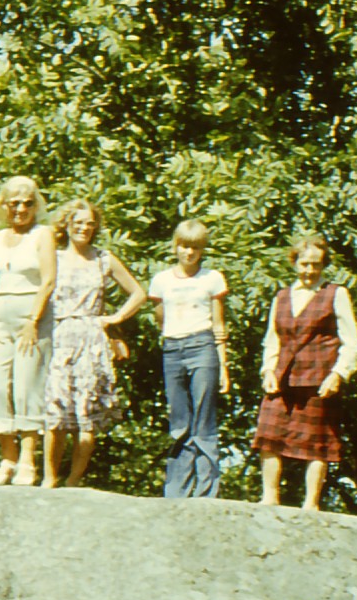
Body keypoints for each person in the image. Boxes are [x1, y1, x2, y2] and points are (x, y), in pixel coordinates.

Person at [41, 199, 145, 488]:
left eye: (89, 223)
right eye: (78, 222)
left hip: (93, 337)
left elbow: (139, 293)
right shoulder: (55, 256)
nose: (83, 228)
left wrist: (113, 319)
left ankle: (73, 480)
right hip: (61, 336)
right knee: (57, 412)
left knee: (86, 416)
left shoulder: (103, 258)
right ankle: (49, 478)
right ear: (67, 224)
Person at [255, 231, 357, 511]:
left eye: (316, 264)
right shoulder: (282, 296)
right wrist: (268, 370)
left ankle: (311, 504)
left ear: (323, 264)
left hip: (319, 378)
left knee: (318, 443)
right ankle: (269, 498)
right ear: (294, 263)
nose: (310, 270)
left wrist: (338, 374)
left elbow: (352, 343)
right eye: (304, 264)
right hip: (282, 378)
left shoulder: (336, 294)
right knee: (269, 437)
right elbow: (273, 338)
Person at [0, 176, 56, 485]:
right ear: (4, 206)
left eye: (28, 203)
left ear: (36, 206)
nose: (21, 209)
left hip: (31, 316)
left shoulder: (42, 234)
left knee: (26, 387)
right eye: (15, 203)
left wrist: (33, 321)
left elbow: (48, 280)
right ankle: (6, 458)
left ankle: (26, 460)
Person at [148, 219, 231, 498]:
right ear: (175, 246)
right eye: (184, 246)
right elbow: (160, 318)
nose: (189, 253)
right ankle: (177, 491)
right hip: (173, 348)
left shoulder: (212, 278)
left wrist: (224, 367)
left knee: (204, 421)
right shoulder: (161, 280)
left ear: (202, 249)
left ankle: (206, 491)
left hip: (203, 346)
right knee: (179, 420)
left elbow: (219, 325)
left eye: (195, 247)